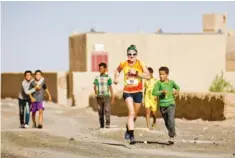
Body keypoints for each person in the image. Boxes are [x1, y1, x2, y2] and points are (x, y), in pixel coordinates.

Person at [113, 44, 150, 144]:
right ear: (127, 55)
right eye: (129, 54)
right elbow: (117, 70)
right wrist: (115, 78)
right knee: (131, 112)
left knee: (134, 116)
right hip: (127, 92)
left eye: (134, 54)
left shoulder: (140, 63)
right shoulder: (124, 63)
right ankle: (132, 136)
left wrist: (137, 73)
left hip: (138, 92)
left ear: (137, 54)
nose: (132, 56)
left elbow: (148, 76)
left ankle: (128, 129)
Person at [152, 66, 180, 144]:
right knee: (167, 122)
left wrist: (176, 92)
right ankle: (172, 132)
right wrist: (161, 92)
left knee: (171, 120)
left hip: (171, 104)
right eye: (160, 74)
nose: (161, 76)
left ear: (167, 74)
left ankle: (171, 136)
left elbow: (178, 88)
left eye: (163, 74)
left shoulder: (171, 83)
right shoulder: (158, 83)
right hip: (162, 106)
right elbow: (154, 92)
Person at [93, 62, 114, 129]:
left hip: (106, 96)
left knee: (107, 110)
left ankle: (107, 124)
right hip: (99, 96)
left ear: (105, 69)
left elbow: (110, 87)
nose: (100, 69)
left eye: (101, 68)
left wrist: (112, 96)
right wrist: (96, 91)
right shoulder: (97, 77)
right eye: (99, 68)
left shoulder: (108, 78)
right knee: (100, 111)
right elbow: (95, 85)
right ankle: (102, 125)